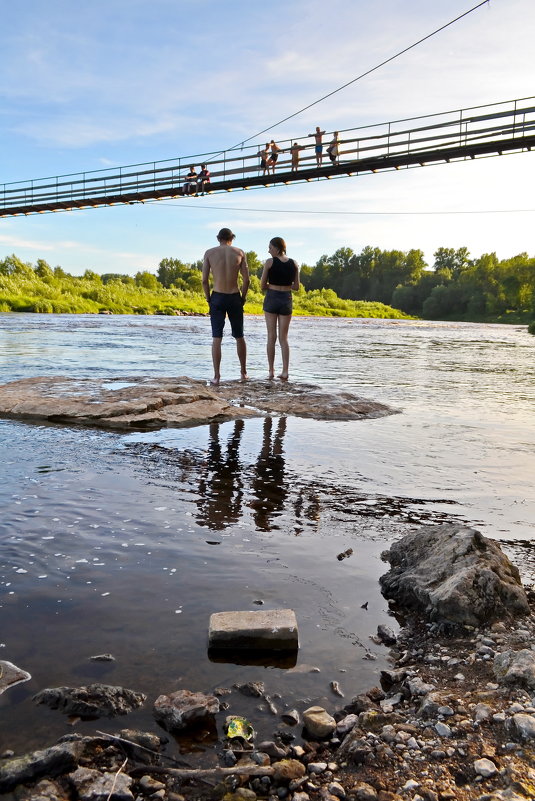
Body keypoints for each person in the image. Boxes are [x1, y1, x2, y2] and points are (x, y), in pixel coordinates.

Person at [202, 228, 250, 385]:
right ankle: (243, 373)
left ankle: (216, 377)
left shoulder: (209, 253)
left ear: (218, 238)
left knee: (217, 337)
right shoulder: (240, 252)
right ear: (232, 238)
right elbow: (247, 280)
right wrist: (242, 298)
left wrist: (209, 299)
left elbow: (204, 280)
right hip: (234, 295)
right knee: (239, 336)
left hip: (217, 296)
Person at [260, 236, 300, 380]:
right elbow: (296, 287)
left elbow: (262, 286)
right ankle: (285, 372)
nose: (268, 250)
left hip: (272, 298)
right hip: (286, 299)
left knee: (271, 336)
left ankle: (271, 371)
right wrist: (284, 286)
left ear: (277, 248)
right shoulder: (294, 263)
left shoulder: (269, 263)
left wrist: (275, 286)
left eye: (270, 247)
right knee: (284, 338)